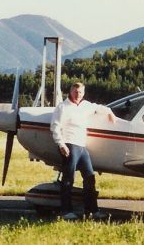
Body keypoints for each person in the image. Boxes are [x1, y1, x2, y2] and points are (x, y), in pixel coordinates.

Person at [50, 82, 116, 220]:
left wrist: (110, 112)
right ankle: (66, 211)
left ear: (83, 93)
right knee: (68, 179)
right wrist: (61, 144)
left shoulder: (86, 106)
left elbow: (98, 108)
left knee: (90, 177)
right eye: (75, 92)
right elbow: (55, 127)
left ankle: (92, 211)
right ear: (70, 91)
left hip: (82, 147)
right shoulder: (62, 107)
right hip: (70, 145)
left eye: (80, 93)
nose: (78, 95)